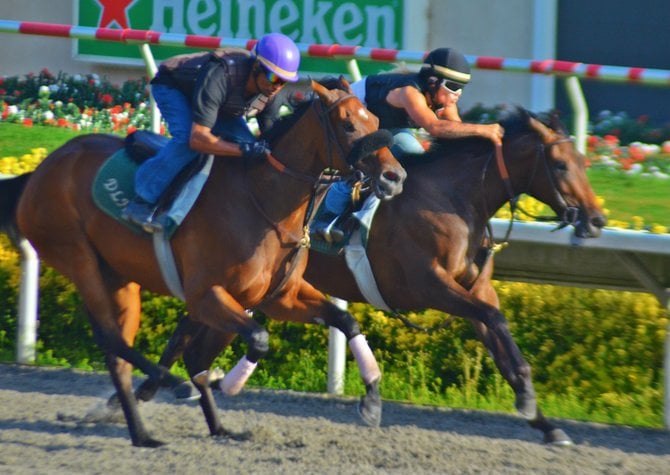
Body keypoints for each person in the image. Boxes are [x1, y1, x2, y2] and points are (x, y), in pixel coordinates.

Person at [315, 47, 504, 242]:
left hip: (387, 126)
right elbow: (435, 127)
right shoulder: (410, 92)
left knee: (414, 157)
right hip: (357, 118)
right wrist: (483, 129)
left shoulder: (444, 99)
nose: (458, 94)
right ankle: (328, 218)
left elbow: (455, 131)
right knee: (399, 156)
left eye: (462, 88)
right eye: (454, 86)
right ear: (433, 81)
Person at [122, 33, 301, 231]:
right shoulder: (221, 73)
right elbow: (198, 139)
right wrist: (242, 149)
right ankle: (142, 200)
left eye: (283, 81)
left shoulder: (271, 95)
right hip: (174, 89)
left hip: (218, 105)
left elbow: (271, 144)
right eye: (273, 77)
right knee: (186, 141)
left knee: (249, 151)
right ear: (256, 66)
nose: (276, 87)